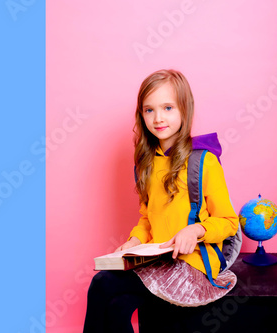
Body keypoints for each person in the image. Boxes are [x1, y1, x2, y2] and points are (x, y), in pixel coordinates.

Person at [83, 69, 239, 333]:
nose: (158, 118)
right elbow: (147, 218)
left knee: (105, 287)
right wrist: (134, 240)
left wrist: (196, 229)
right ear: (141, 114)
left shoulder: (203, 162)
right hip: (158, 262)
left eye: (167, 107)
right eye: (149, 110)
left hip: (191, 266)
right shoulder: (145, 163)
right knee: (112, 299)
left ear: (184, 110)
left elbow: (229, 222)